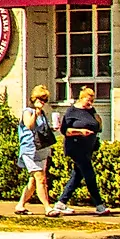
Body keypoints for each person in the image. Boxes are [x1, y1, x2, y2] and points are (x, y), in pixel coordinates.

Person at [53, 87, 107, 215]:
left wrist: (99, 122)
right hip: (76, 147)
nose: (90, 103)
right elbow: (64, 131)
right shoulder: (72, 111)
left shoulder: (91, 110)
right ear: (81, 98)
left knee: (77, 175)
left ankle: (61, 203)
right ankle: (99, 205)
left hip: (88, 148)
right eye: (88, 100)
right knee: (89, 175)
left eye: (92, 101)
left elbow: (96, 125)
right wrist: (80, 132)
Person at [13, 88, 58, 216]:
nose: (43, 102)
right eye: (40, 99)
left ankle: (20, 204)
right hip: (29, 149)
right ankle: (47, 207)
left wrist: (53, 129)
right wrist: (37, 112)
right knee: (41, 178)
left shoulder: (42, 114)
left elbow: (42, 131)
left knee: (33, 180)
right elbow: (30, 125)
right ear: (34, 99)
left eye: (45, 100)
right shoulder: (28, 112)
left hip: (41, 149)